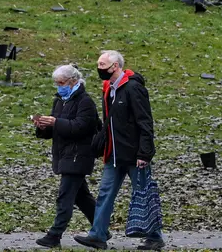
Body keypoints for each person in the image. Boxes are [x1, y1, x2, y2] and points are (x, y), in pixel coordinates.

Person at [74, 50, 165, 251]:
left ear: (115, 66)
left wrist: (144, 153)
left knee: (143, 194)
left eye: (102, 65)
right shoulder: (109, 88)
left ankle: (155, 236)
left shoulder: (133, 88)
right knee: (105, 193)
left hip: (134, 155)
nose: (99, 69)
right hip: (114, 154)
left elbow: (145, 122)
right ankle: (97, 235)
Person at [33, 64, 101, 249]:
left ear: (73, 81)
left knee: (65, 197)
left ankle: (54, 235)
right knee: (82, 197)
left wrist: (56, 122)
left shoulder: (85, 101)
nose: (58, 86)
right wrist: (43, 127)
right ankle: (101, 230)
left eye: (61, 82)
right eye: (56, 83)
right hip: (65, 155)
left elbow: (81, 127)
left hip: (79, 155)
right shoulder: (60, 100)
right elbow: (57, 129)